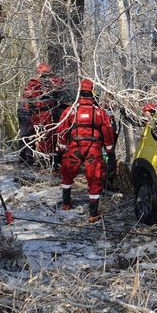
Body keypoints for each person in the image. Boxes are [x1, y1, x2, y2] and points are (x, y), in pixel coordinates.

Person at [57, 78, 115, 223]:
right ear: (92, 92)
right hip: (93, 149)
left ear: (79, 92)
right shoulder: (99, 112)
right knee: (95, 178)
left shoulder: (71, 110)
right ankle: (93, 213)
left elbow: (61, 129)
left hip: (74, 147)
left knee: (67, 174)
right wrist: (109, 151)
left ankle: (66, 204)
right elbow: (107, 131)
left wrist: (61, 149)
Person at [19, 62, 65, 166]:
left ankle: (47, 159)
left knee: (49, 135)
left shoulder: (53, 82)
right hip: (32, 113)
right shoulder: (33, 83)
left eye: (48, 73)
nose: (46, 76)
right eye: (44, 73)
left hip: (45, 113)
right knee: (29, 135)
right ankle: (27, 159)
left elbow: (60, 84)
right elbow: (31, 98)